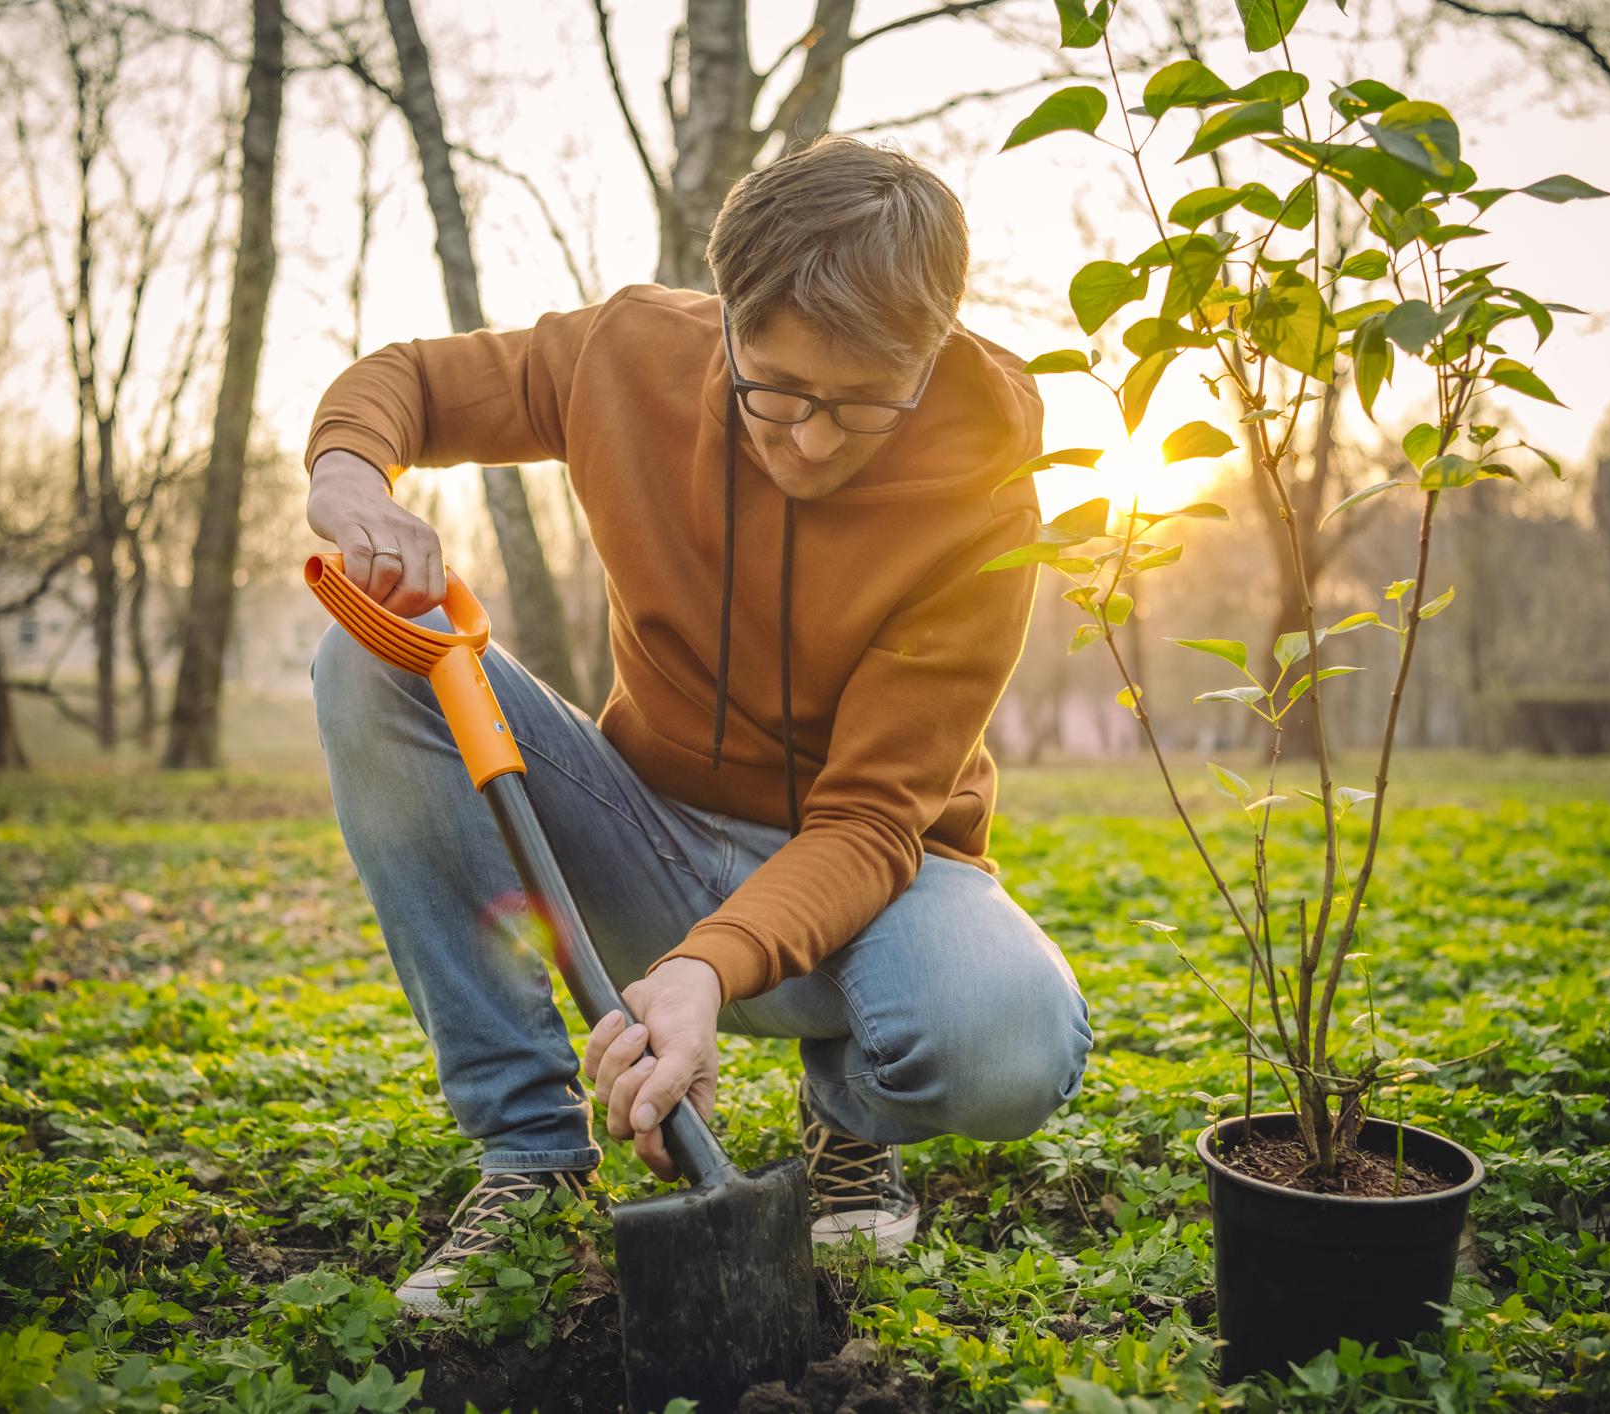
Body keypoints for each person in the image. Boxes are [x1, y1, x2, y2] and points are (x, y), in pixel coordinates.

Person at [305, 134, 1093, 1317]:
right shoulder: (631, 355)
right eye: (776, 389)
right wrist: (351, 474)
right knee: (365, 650)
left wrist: (701, 973)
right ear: (725, 320)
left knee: (1009, 1037)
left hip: (880, 879)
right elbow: (410, 381)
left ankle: (848, 1125)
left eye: (864, 402)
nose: (814, 439)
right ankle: (530, 1156)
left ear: (930, 351)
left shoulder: (986, 493)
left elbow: (874, 818)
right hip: (645, 831)